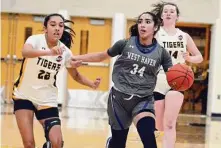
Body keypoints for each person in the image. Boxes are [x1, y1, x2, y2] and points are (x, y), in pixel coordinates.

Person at [71, 11, 173, 148]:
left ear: (155, 27)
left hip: (143, 100)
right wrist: (78, 58)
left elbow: (172, 75)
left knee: (149, 139)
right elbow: (101, 56)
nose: (142, 25)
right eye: (140, 21)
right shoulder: (124, 44)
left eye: (147, 22)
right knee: (118, 143)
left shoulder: (162, 53)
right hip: (119, 99)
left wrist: (183, 78)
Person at [13, 13, 101, 148]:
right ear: (45, 28)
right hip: (24, 95)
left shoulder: (65, 52)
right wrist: (49, 52)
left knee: (57, 143)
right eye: (53, 25)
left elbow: (76, 76)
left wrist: (91, 84)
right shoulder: (35, 40)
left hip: (47, 99)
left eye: (61, 26)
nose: (57, 28)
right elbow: (25, 52)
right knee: (29, 143)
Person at [151, 2, 203, 147]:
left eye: (172, 11)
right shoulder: (155, 33)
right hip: (157, 80)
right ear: (161, 15)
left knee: (169, 124)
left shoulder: (183, 36)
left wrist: (189, 58)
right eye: (165, 11)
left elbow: (199, 57)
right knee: (159, 125)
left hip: (176, 79)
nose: (168, 13)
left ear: (177, 16)